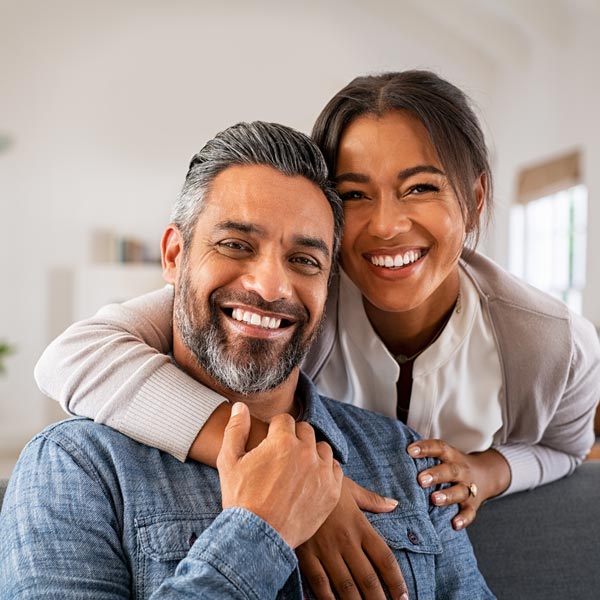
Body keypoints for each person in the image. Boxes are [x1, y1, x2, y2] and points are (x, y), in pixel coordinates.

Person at [34, 71, 600, 587]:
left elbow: (566, 449)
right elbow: (76, 355)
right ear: (176, 255)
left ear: (474, 200)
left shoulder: (547, 342)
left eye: (421, 187)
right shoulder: (295, 300)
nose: (385, 225)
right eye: (354, 195)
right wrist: (291, 477)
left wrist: (488, 470)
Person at [0, 121, 494, 600]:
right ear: (174, 256)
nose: (270, 287)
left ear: (328, 286)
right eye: (236, 245)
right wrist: (258, 532)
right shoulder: (76, 467)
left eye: (304, 260)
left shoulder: (403, 459)